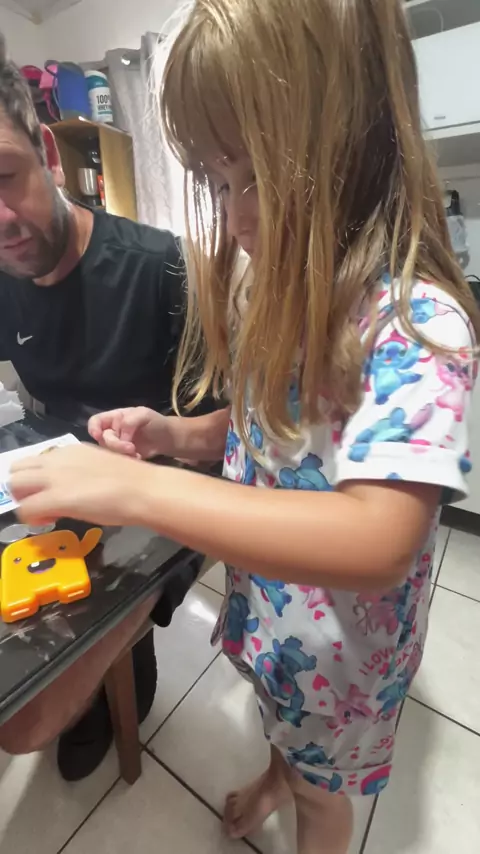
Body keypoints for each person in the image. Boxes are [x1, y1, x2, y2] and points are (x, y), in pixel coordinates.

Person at [9, 1, 480, 851]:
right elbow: (265, 421)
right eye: (219, 183)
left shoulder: (415, 323)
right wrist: (173, 435)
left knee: (320, 798)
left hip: (342, 661)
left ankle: (295, 787)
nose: (233, 217)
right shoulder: (293, 296)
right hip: (273, 616)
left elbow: (380, 537)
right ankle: (276, 772)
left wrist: (135, 490)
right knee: (278, 731)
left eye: (250, 174)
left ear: (357, 136)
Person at [0, 41, 212, 783]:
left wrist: (149, 457)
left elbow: (228, 440)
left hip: (160, 494)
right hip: (54, 478)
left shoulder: (161, 267)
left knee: (27, 721)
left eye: (5, 177)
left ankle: (125, 656)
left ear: (49, 154)